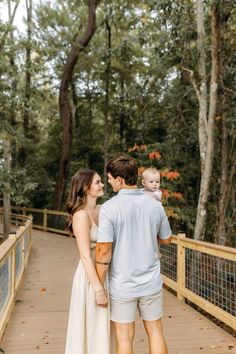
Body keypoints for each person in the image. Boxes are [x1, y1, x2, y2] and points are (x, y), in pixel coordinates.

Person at [95, 155, 172, 354]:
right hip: (151, 282)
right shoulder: (155, 205)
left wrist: (98, 287)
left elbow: (103, 252)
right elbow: (166, 239)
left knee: (124, 338)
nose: (108, 181)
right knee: (155, 332)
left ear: (119, 180)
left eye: (110, 178)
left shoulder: (109, 208)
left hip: (123, 284)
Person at [65, 170, 109, 354]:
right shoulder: (80, 215)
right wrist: (98, 289)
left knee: (103, 325)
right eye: (98, 182)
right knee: (91, 323)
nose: (102, 185)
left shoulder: (102, 210)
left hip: (106, 269)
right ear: (85, 187)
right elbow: (84, 255)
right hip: (89, 276)